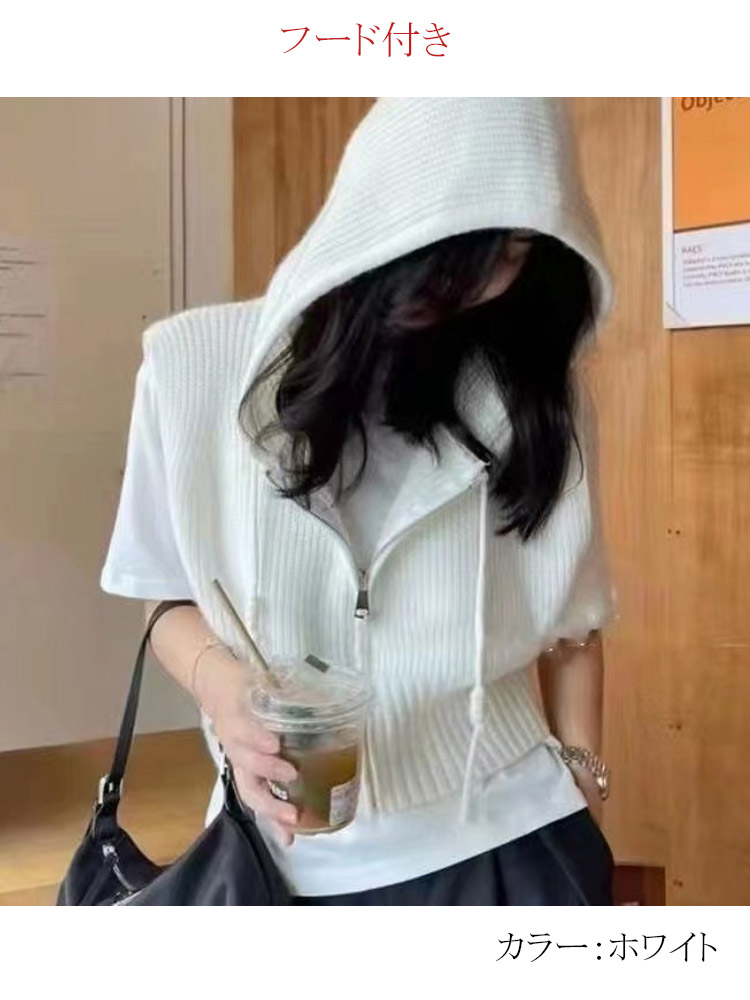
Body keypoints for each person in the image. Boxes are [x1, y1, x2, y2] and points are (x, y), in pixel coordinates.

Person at [100, 97, 619, 905]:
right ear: (380, 212)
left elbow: (576, 624)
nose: (487, 284)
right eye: (459, 253)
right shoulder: (190, 370)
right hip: (279, 853)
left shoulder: (533, 392)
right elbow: (165, 598)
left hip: (513, 838)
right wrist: (224, 692)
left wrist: (583, 775)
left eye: (517, 248)